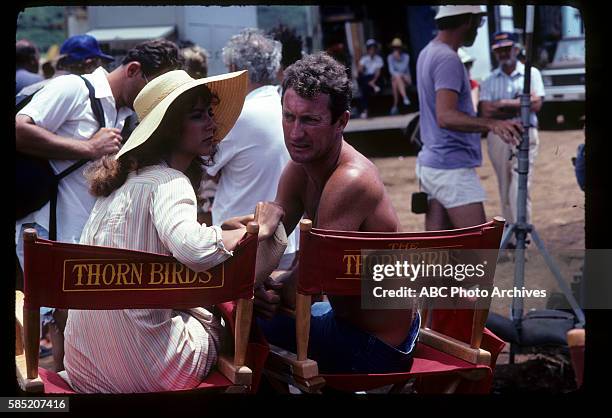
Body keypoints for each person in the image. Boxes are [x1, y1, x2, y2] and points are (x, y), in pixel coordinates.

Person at [62, 69, 283, 393]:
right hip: (143, 370)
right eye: (198, 116)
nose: (211, 123)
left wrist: (223, 231)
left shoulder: (121, 185)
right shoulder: (170, 181)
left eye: (209, 113)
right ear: (168, 130)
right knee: (223, 322)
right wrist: (258, 229)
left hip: (85, 365)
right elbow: (193, 249)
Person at [15, 39, 184, 372]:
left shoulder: (122, 112)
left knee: (70, 323)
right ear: (134, 70)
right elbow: (19, 129)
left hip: (75, 235)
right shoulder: (71, 88)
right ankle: (29, 397)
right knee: (38, 323)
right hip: (43, 228)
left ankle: (62, 386)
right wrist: (89, 148)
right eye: (153, 88)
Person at [250, 52, 420, 374]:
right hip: (345, 322)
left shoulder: (351, 180)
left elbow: (310, 282)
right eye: (289, 117)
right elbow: (268, 248)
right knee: (242, 311)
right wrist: (261, 280)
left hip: (376, 345)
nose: (295, 133)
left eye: (310, 120)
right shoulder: (299, 169)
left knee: (240, 325)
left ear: (341, 121)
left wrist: (262, 286)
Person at [415, 5, 523, 232]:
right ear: (468, 22)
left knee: (438, 253)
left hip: (432, 163)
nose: (477, 30)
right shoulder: (448, 59)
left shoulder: (428, 52)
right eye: (479, 23)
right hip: (451, 167)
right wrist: (492, 123)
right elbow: (446, 117)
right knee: (478, 251)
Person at [207, 28, 297, 269]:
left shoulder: (238, 115)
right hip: (287, 242)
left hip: (243, 243)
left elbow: (204, 167)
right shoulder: (287, 109)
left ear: (235, 68)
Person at [479, 31, 545, 239]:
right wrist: (518, 102)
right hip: (499, 136)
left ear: (516, 49)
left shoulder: (531, 73)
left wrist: (502, 104)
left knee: (520, 186)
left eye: (507, 49)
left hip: (525, 133)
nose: (504, 53)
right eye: (499, 50)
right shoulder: (489, 79)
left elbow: (536, 104)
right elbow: (486, 111)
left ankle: (521, 240)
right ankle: (510, 237)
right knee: (505, 187)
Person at [17, 34, 115, 98]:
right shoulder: (89, 96)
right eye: (101, 64)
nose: (103, 70)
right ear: (89, 64)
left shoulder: (33, 89)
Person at [357, 39, 384, 119]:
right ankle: (365, 110)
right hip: (367, 80)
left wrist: (373, 81)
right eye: (370, 48)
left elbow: (378, 73)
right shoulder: (364, 59)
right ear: (368, 49)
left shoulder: (379, 59)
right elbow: (360, 69)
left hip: (376, 79)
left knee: (365, 86)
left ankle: (365, 110)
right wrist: (361, 69)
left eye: (373, 48)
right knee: (364, 88)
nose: (372, 50)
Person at [387, 38, 412, 115]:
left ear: (401, 48)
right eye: (395, 48)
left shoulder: (406, 56)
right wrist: (398, 75)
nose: (396, 49)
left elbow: (404, 68)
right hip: (398, 79)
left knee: (395, 79)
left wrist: (398, 59)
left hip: (406, 78)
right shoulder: (390, 57)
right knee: (395, 81)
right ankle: (405, 98)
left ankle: (395, 106)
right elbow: (391, 70)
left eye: (398, 47)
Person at [458, 47, 479, 112]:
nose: (467, 68)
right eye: (464, 65)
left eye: (468, 65)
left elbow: (473, 109)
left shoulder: (472, 84)